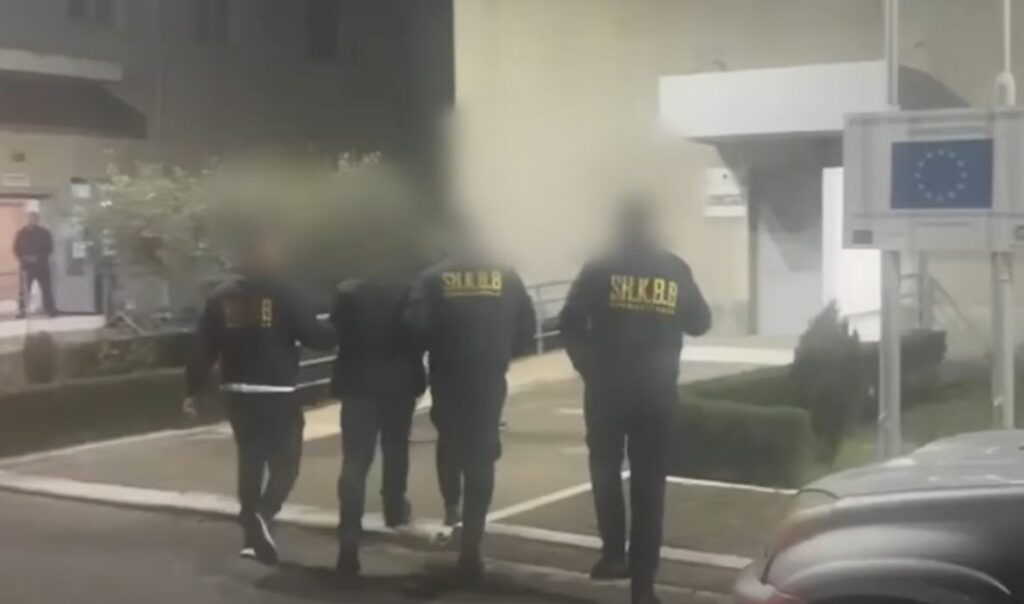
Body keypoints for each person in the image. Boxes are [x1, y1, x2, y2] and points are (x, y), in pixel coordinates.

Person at [559, 197, 711, 604]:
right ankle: (643, 586)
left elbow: (569, 321)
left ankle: (613, 556)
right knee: (649, 486)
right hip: (656, 396)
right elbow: (701, 322)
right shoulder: (674, 268)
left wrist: (588, 366)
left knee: (605, 472)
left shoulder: (600, 266)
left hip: (606, 392)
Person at [182, 233, 334, 565]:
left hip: (237, 392)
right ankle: (263, 515)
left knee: (250, 460)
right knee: (287, 463)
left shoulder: (221, 297)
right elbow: (317, 337)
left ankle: (252, 536)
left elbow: (202, 349)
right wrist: (340, 326)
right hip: (277, 390)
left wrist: (193, 390)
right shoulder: (286, 294)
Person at [403, 247, 535, 582]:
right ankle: (472, 543)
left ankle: (452, 508)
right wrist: (505, 352)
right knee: (483, 453)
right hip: (489, 375)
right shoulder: (505, 274)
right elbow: (527, 324)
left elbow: (414, 326)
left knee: (449, 440)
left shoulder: (433, 277)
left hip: (448, 375)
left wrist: (436, 346)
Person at [331, 271, 426, 577]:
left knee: (355, 461)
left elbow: (334, 334)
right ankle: (394, 507)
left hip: (357, 384)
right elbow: (418, 333)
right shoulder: (408, 290)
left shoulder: (347, 292)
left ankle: (349, 536)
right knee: (396, 447)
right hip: (399, 382)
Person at [13, 210, 56, 318]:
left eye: (33, 219)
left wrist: (38, 258)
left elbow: (49, 248)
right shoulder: (21, 233)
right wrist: (24, 258)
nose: (31, 221)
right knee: (24, 290)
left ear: (37, 220)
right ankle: (22, 311)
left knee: (46, 289)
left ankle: (50, 310)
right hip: (26, 267)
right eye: (29, 218)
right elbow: (16, 248)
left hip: (41, 266)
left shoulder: (44, 233)